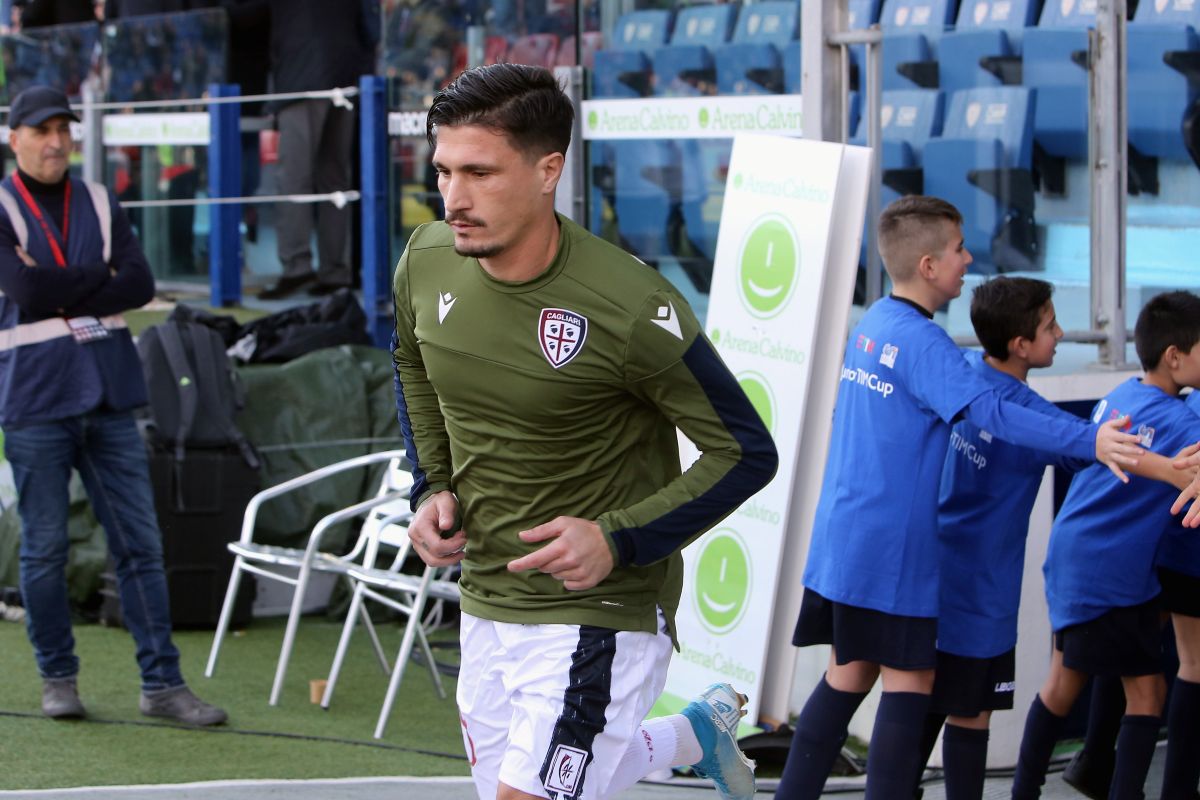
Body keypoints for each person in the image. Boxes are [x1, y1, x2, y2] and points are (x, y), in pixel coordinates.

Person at [392, 64, 778, 800]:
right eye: (443, 171)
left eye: (480, 173)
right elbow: (410, 359)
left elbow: (745, 452)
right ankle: (692, 735)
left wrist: (618, 539)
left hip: (600, 613)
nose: (454, 198)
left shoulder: (631, 306)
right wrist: (431, 484)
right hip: (485, 595)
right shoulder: (427, 258)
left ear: (548, 171)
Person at [775, 196, 1143, 800]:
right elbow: (993, 410)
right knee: (910, 684)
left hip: (845, 538)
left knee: (848, 675)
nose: (968, 260)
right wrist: (1091, 439)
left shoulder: (873, 323)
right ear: (927, 265)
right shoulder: (927, 346)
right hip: (893, 553)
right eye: (958, 249)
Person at [913, 278, 1194, 800]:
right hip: (995, 591)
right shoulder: (1029, 414)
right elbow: (1087, 443)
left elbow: (1088, 444)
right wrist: (1171, 471)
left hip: (955, 574)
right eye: (1050, 326)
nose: (1061, 333)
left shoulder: (965, 377)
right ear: (1021, 345)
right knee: (974, 710)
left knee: (938, 696)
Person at [0, 85, 226, 726]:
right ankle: (58, 679)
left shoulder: (100, 199)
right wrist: (98, 278)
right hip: (36, 398)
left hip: (108, 395)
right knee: (44, 550)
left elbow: (140, 283)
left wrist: (62, 285)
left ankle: (163, 685)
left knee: (142, 547)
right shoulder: (4, 205)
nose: (55, 142)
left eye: (63, 129)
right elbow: (24, 290)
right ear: (14, 139)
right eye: (41, 130)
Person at [1010, 290, 1200, 800]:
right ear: (1174, 356)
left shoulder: (1122, 396)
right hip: (1113, 574)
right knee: (1147, 693)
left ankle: (1025, 792)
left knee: (1063, 683)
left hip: (1074, 558)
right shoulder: (1184, 423)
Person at [258, 0, 376, 299]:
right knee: (334, 180)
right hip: (345, 78)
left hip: (301, 78)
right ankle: (335, 270)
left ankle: (297, 266)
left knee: (294, 179)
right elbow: (370, 29)